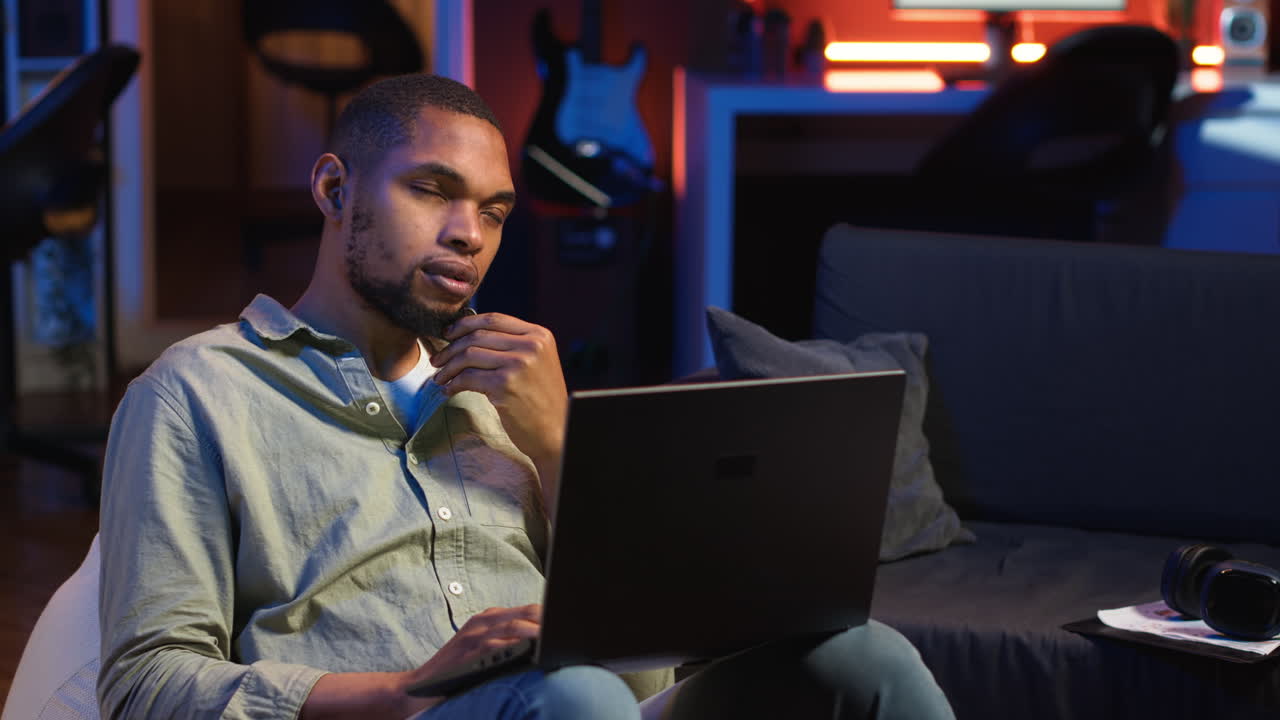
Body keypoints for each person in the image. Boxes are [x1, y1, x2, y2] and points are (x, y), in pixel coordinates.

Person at [96, 74, 955, 720]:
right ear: (334, 190)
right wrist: (402, 689)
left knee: (865, 658)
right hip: (425, 713)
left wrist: (560, 444)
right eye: (431, 190)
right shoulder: (198, 392)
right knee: (575, 696)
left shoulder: (518, 389)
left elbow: (651, 667)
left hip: (597, 709)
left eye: (496, 211)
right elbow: (144, 685)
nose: (469, 234)